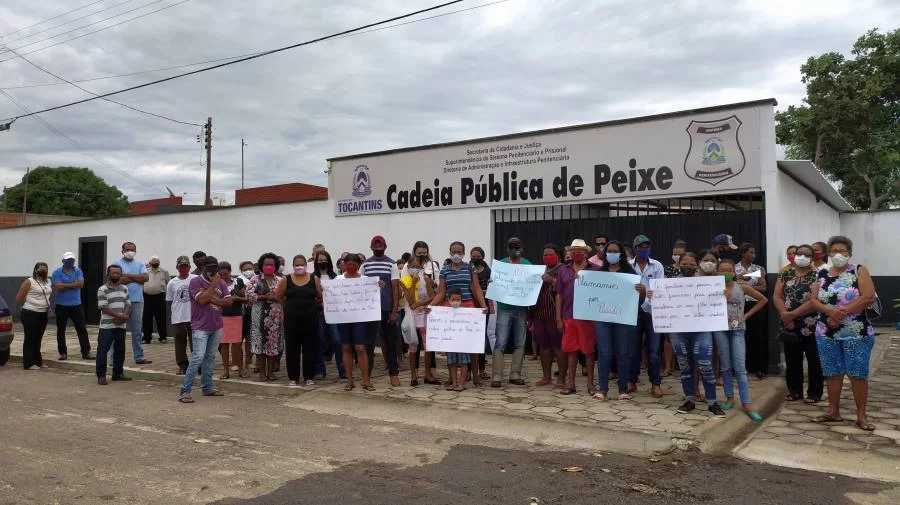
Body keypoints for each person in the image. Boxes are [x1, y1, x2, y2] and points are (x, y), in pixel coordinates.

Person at [809, 236, 877, 431]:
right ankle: (833, 411)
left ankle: (861, 415)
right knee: (832, 373)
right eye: (834, 251)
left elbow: (868, 297)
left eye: (843, 251)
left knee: (857, 374)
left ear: (850, 253)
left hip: (856, 333)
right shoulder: (820, 272)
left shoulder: (859, 270)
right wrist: (830, 312)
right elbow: (814, 300)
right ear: (828, 254)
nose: (838, 254)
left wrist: (841, 312)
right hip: (825, 332)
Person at [647, 253, 725, 416]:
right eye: (684, 263)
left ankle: (712, 402)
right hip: (679, 332)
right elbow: (653, 306)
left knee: (705, 365)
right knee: (685, 366)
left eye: (691, 264)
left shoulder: (706, 284)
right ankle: (689, 399)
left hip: (701, 330)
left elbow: (717, 302)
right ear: (679, 264)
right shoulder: (668, 284)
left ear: (696, 265)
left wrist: (723, 295)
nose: (687, 267)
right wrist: (653, 297)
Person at [715, 258, 767, 422]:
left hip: (737, 329)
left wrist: (745, 316)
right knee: (725, 366)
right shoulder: (713, 288)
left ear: (734, 272)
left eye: (728, 270)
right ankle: (730, 397)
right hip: (719, 329)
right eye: (721, 270)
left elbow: (763, 300)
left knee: (740, 366)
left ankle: (747, 402)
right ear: (716, 273)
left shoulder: (742, 287)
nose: (725, 273)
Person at [431, 241, 489, 383]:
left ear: (463, 253)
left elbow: (475, 288)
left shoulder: (470, 268)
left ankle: (475, 376)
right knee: (451, 344)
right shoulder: (445, 270)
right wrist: (431, 306)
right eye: (453, 251)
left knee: (472, 344)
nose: (456, 254)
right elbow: (441, 292)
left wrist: (483, 305)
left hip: (468, 308)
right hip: (449, 310)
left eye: (459, 251)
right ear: (450, 252)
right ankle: (453, 378)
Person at [774, 244, 823, 403]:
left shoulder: (818, 275)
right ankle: (795, 391)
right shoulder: (785, 273)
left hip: (812, 324)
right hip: (788, 323)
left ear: (812, 257)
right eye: (799, 253)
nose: (802, 256)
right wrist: (784, 315)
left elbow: (814, 301)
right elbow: (777, 296)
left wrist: (792, 315)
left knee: (814, 359)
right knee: (792, 359)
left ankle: (814, 393)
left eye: (806, 254)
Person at [178, 256, 230, 403]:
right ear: (202, 268)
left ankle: (207, 387)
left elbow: (228, 302)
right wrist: (213, 284)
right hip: (200, 327)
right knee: (197, 358)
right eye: (209, 267)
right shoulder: (195, 282)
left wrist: (211, 299)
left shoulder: (222, 282)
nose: (213, 270)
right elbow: (201, 300)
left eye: (215, 267)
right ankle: (185, 391)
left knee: (210, 357)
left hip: (216, 325)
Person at [554, 239, 599, 395]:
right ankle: (571, 384)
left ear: (586, 253)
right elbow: (558, 294)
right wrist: (558, 318)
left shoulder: (596, 270)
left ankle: (590, 385)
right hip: (568, 315)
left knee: (589, 351)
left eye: (580, 251)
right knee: (571, 351)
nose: (576, 254)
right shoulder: (563, 270)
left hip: (588, 316)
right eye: (574, 251)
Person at [596, 240, 640, 400]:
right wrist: (581, 282)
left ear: (621, 253)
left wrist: (641, 291)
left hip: (622, 318)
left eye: (615, 251)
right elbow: (589, 292)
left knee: (623, 353)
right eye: (610, 251)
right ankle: (603, 389)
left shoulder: (630, 273)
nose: (612, 254)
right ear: (605, 254)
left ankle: (623, 389)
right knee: (604, 353)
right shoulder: (598, 273)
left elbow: (638, 298)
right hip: (602, 318)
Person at [491, 237, 532, 388]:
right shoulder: (501, 264)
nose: (515, 249)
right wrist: (492, 283)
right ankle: (496, 375)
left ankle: (515, 374)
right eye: (512, 247)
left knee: (520, 342)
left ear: (522, 248)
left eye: (517, 247)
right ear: (507, 249)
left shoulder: (527, 264)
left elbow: (532, 287)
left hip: (521, 309)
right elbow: (495, 282)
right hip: (504, 308)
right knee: (500, 341)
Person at [361, 235, 401, 387]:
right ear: (371, 247)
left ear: (385, 246)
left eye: (380, 245)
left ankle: (393, 374)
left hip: (386, 308)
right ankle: (367, 375)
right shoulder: (365, 265)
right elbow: (361, 286)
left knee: (390, 342)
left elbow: (395, 289)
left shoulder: (392, 264)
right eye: (375, 245)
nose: (378, 247)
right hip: (370, 310)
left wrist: (394, 311)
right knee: (369, 344)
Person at [276, 255, 322, 386]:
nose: (299, 266)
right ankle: (293, 377)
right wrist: (289, 307)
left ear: (306, 265)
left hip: (310, 318)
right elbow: (278, 297)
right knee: (292, 348)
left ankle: (309, 377)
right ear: (293, 265)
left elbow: (320, 296)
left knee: (310, 348)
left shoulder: (314, 278)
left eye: (302, 264)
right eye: (296, 264)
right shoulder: (286, 279)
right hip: (292, 320)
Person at [630, 234, 665, 398]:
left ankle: (655, 383)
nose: (644, 250)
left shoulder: (657, 266)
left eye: (647, 247)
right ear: (635, 249)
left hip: (653, 312)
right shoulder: (628, 266)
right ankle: (632, 381)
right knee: (633, 349)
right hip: (633, 311)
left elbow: (659, 290)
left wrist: (645, 300)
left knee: (654, 350)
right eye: (641, 247)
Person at [529, 243, 565, 389]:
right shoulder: (538, 271)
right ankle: (546, 377)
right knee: (544, 347)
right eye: (545, 255)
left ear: (558, 255)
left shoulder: (564, 270)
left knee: (558, 347)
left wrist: (553, 282)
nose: (548, 257)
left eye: (551, 254)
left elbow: (568, 289)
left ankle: (561, 379)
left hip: (555, 315)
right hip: (539, 314)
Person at [336, 254, 373, 391]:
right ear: (344, 264)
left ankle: (366, 380)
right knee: (346, 347)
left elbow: (372, 297)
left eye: (354, 264)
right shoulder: (338, 279)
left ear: (358, 265)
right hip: (343, 318)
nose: (351, 267)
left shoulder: (365, 280)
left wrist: (378, 288)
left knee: (360, 348)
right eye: (348, 264)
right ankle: (349, 381)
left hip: (360, 318)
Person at [246, 253, 285, 382]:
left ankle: (270, 372)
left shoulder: (280, 280)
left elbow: (285, 296)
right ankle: (262, 372)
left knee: (272, 343)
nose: (269, 266)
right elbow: (248, 294)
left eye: (271, 264)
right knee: (259, 344)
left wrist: (277, 297)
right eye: (266, 264)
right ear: (261, 266)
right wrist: (263, 296)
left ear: (276, 266)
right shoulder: (255, 280)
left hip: (275, 317)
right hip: (259, 317)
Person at [399, 254, 435, 386]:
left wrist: (421, 304)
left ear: (421, 267)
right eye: (412, 267)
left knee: (428, 346)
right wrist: (413, 284)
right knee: (413, 346)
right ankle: (413, 375)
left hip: (424, 315)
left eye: (417, 267)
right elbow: (410, 300)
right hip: (411, 316)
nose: (415, 269)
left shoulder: (426, 279)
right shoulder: (404, 281)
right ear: (408, 267)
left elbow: (432, 296)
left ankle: (427, 374)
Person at [115, 242, 152, 365]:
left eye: (132, 249)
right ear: (122, 251)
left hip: (137, 300)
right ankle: (114, 358)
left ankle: (139, 357)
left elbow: (145, 278)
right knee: (117, 330)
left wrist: (127, 276)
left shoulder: (140, 263)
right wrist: (136, 277)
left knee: (137, 331)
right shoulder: (116, 264)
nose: (130, 251)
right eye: (127, 249)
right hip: (120, 301)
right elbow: (117, 279)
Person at [51, 252, 93, 360]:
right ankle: (63, 353)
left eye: (72, 260)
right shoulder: (57, 272)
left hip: (76, 304)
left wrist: (65, 285)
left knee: (81, 328)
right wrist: (74, 285)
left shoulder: (78, 271)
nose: (70, 262)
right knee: (61, 329)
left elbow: (81, 284)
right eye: (68, 260)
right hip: (61, 305)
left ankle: (86, 352)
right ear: (63, 261)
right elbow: (58, 287)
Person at [735, 242, 769, 379]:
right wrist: (740, 280)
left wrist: (747, 287)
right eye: (750, 252)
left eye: (754, 253)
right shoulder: (734, 268)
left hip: (756, 303)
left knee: (758, 336)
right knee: (741, 335)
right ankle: (742, 366)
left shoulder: (758, 269)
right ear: (743, 253)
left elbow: (764, 287)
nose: (753, 255)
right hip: (739, 305)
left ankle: (759, 367)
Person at [95, 265, 132, 385]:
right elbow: (103, 307)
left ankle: (118, 373)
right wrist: (120, 317)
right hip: (107, 326)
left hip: (120, 325)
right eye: (113, 273)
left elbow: (128, 304)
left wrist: (124, 316)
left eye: (118, 273)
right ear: (108, 274)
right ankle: (101, 375)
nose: (116, 275)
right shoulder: (102, 289)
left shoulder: (125, 288)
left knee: (120, 350)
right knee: (102, 350)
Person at [312, 251, 342, 381]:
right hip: (318, 313)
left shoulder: (335, 277)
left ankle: (343, 370)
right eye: (319, 260)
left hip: (334, 313)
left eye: (324, 260)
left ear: (328, 261)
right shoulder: (312, 277)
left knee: (337, 340)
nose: (321, 262)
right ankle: (319, 370)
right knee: (319, 341)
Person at [16, 262, 52, 370]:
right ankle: (28, 363)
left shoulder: (48, 282)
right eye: (41, 269)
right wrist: (30, 305)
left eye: (45, 269)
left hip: (43, 313)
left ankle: (37, 362)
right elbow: (19, 298)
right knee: (30, 338)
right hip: (30, 313)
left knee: (38, 338)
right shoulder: (29, 281)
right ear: (35, 270)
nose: (43, 271)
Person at [218, 261, 247, 379]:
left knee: (237, 344)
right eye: (221, 274)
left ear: (230, 272)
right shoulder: (216, 285)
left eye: (226, 273)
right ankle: (226, 370)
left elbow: (245, 298)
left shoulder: (237, 282)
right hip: (221, 316)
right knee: (224, 344)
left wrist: (237, 298)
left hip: (236, 315)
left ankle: (241, 369)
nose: (224, 277)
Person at [166, 256, 195, 374]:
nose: (183, 268)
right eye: (181, 266)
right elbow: (169, 300)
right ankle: (183, 365)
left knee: (196, 342)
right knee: (180, 342)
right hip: (179, 317)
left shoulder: (195, 279)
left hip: (194, 316)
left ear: (189, 267)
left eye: (186, 266)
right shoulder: (172, 283)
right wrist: (174, 313)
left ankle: (198, 365)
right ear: (177, 267)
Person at [469, 246, 492, 381]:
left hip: (483, 308)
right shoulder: (467, 270)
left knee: (482, 338)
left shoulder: (488, 271)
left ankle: (481, 369)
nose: (476, 258)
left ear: (482, 257)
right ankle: (468, 370)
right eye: (473, 256)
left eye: (478, 256)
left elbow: (492, 288)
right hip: (470, 308)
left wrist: (480, 293)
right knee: (469, 338)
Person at [445, 288, 471, 391]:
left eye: (458, 300)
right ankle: (454, 383)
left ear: (461, 300)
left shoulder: (467, 312)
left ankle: (462, 383)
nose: (455, 302)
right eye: (453, 299)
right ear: (448, 300)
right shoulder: (444, 312)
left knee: (464, 362)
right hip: (450, 342)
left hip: (463, 342)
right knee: (452, 363)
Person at [142, 255, 169, 344]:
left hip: (160, 297)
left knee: (161, 318)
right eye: (153, 263)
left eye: (157, 262)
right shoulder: (145, 271)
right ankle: (146, 337)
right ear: (150, 263)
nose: (155, 264)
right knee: (146, 318)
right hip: (147, 297)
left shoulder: (164, 272)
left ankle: (163, 337)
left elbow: (168, 283)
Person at [239, 261, 256, 372]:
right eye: (245, 269)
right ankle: (238, 362)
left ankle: (248, 362)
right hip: (241, 312)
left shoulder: (257, 279)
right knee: (239, 338)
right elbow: (239, 293)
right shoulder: (239, 280)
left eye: (250, 268)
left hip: (254, 312)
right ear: (241, 271)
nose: (248, 271)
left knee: (250, 338)